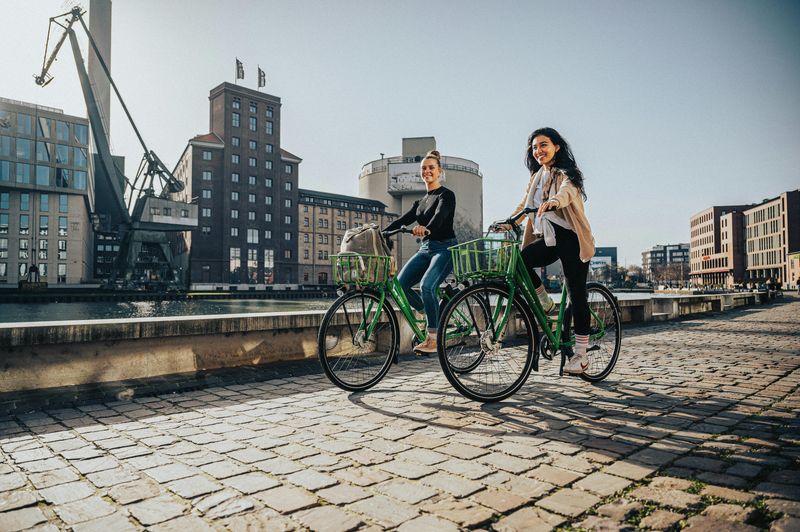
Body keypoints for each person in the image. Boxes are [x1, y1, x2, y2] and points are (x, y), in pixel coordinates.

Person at [497, 127, 595, 374]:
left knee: (577, 294)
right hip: (548, 238)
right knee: (520, 260)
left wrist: (554, 201)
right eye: (534, 147)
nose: (538, 151)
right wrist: (510, 221)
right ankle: (546, 303)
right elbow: (525, 205)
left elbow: (567, 192)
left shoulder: (567, 173)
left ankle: (581, 356)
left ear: (556, 147)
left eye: (543, 145)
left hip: (571, 238)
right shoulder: (536, 177)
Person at [384, 150, 457, 353]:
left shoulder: (446, 195)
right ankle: (428, 312)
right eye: (424, 168)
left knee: (427, 286)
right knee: (399, 285)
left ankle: (433, 339)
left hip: (445, 248)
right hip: (426, 248)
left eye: (431, 168)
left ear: (439, 171)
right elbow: (402, 220)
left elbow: (441, 216)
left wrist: (427, 228)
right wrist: (382, 232)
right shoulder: (421, 202)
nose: (427, 171)